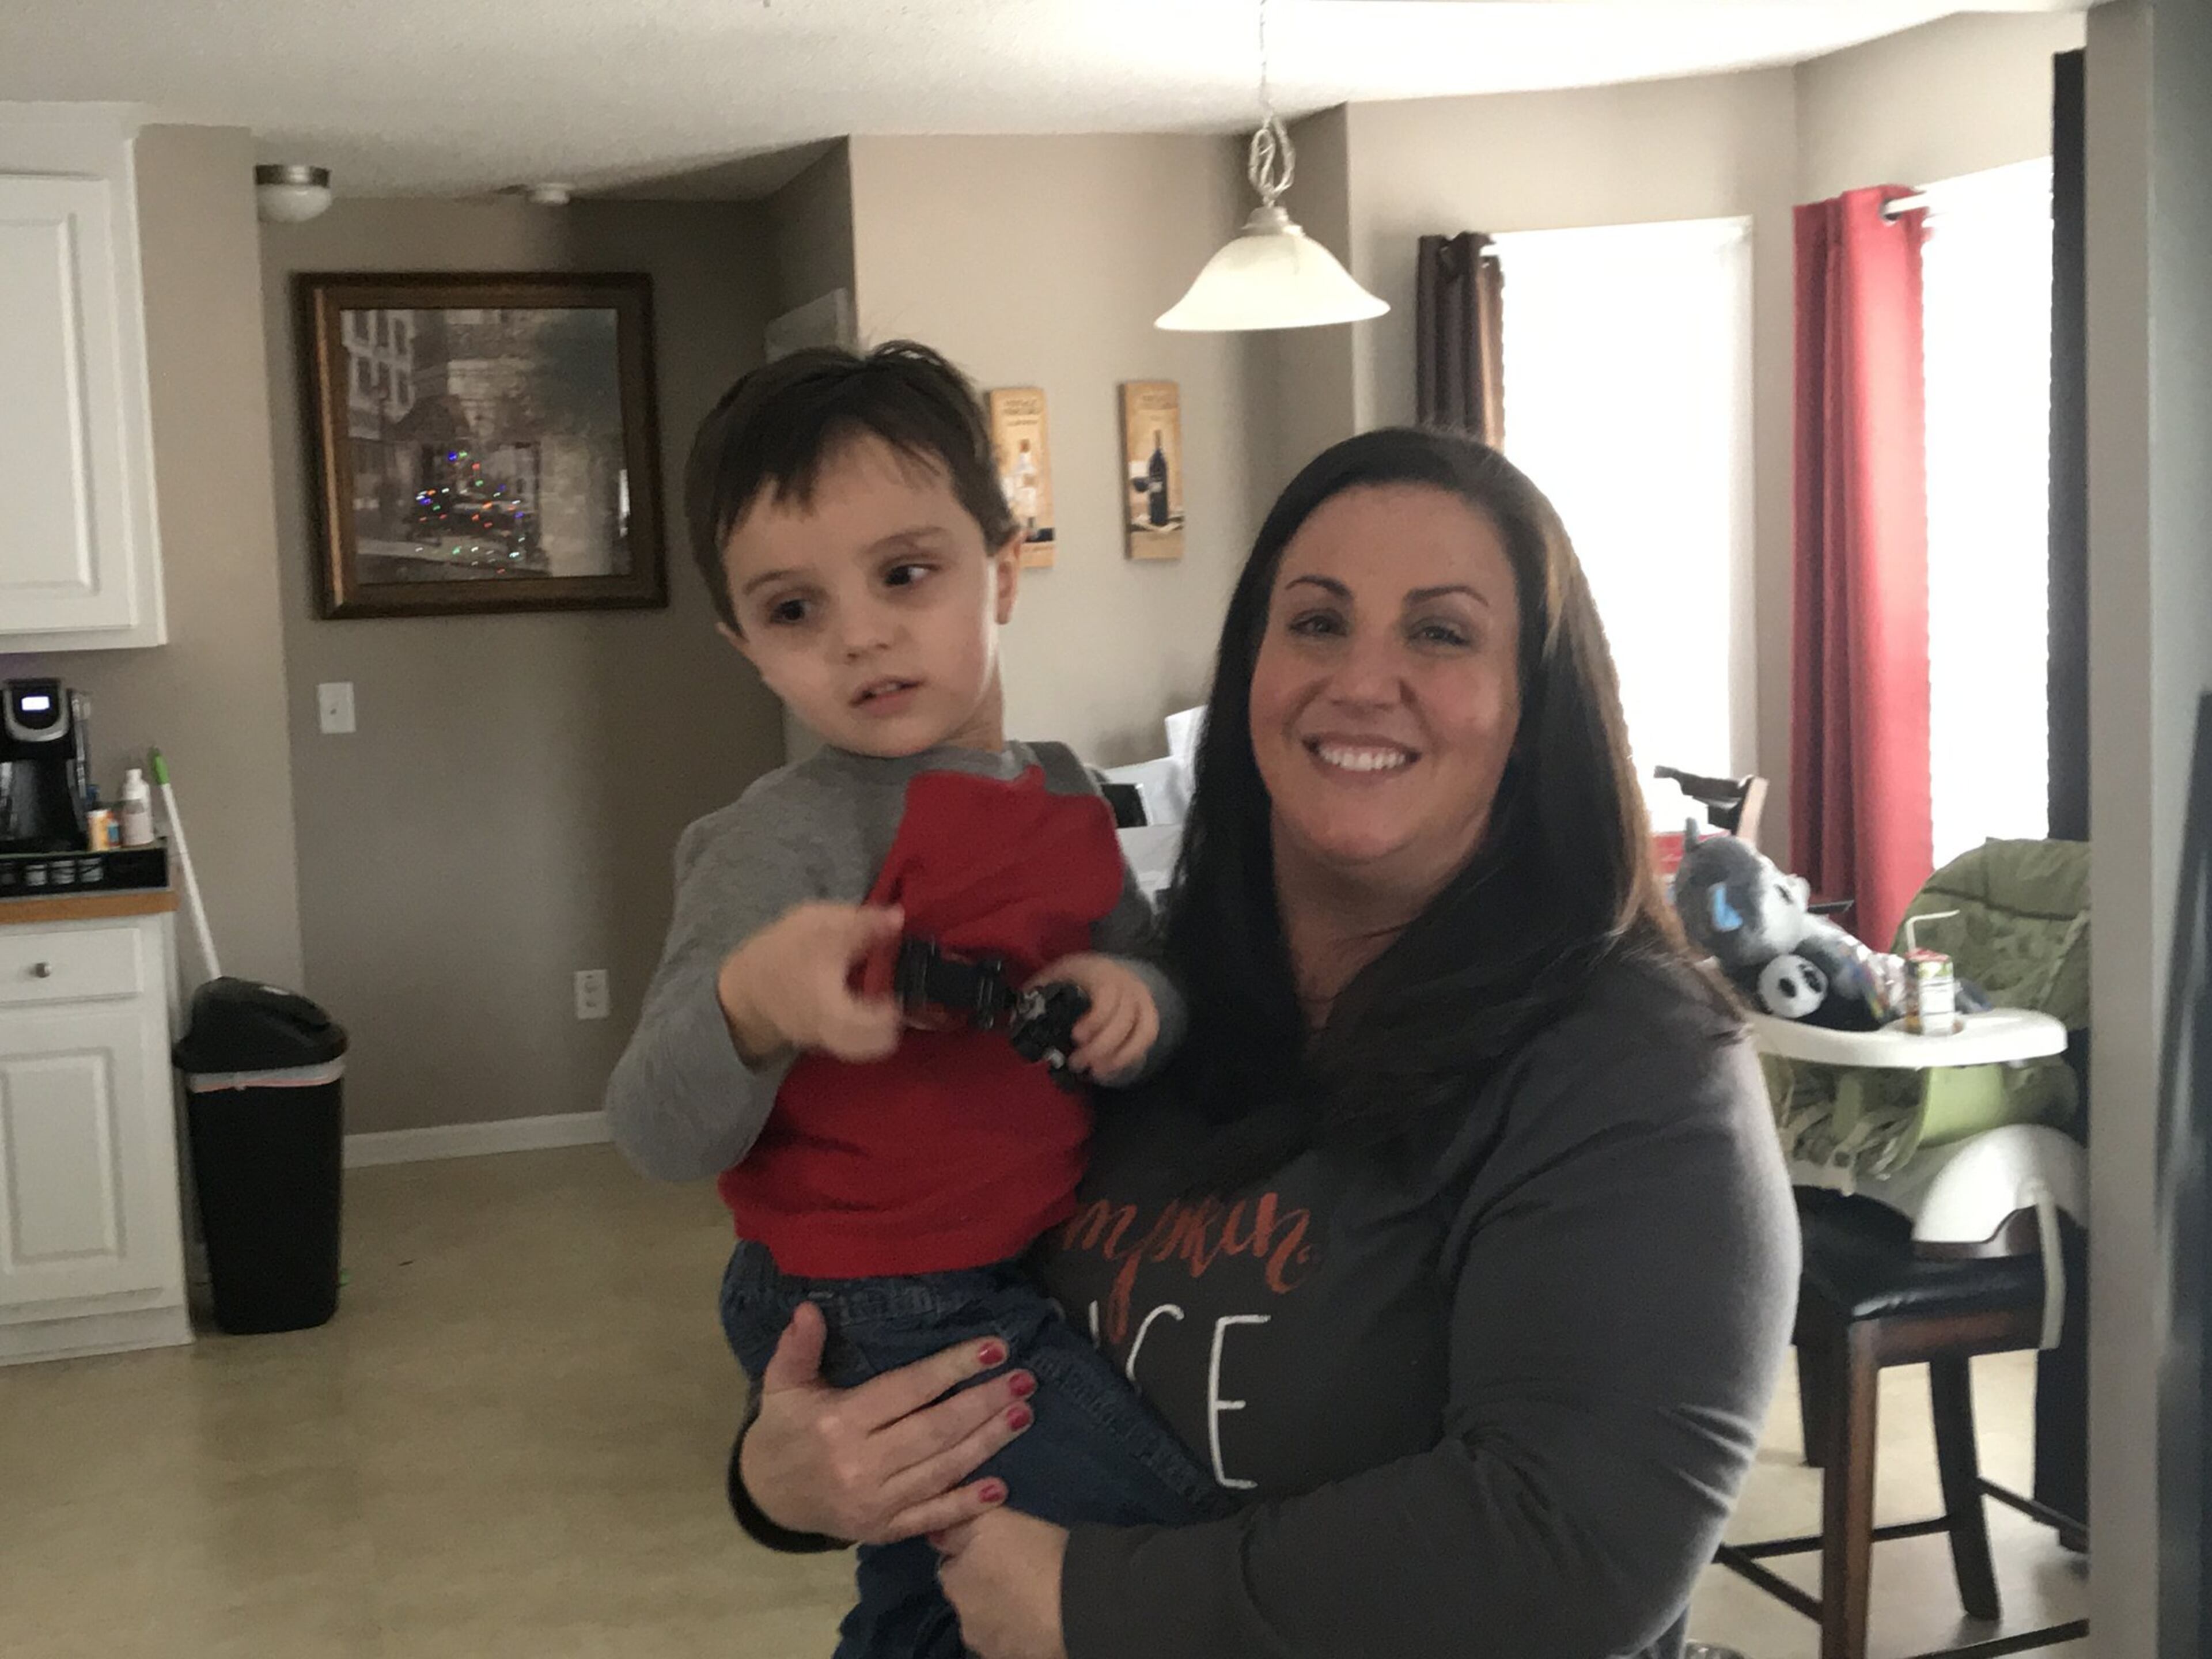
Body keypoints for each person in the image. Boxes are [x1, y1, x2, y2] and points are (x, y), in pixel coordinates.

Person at [718, 427, 1801, 1659]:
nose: (1361, 680)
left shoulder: (1637, 1065)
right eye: (1317, 623)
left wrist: (1095, 1603)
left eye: (1440, 633)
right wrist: (784, 1481)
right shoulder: (1144, 1003)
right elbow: (926, 1292)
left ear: (1533, 707)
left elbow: (1570, 1548)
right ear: (1249, 678)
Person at [604, 342, 1228, 1659]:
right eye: (793, 611)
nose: (862, 635)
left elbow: (1158, 980)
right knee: (1161, 1531)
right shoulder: (779, 844)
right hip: (886, 1294)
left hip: (1022, 1257)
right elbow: (657, 1131)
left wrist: (1133, 1001)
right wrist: (748, 1006)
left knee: (941, 1602)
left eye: (905, 574)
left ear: (1002, 569)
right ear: (747, 649)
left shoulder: (1060, 792)